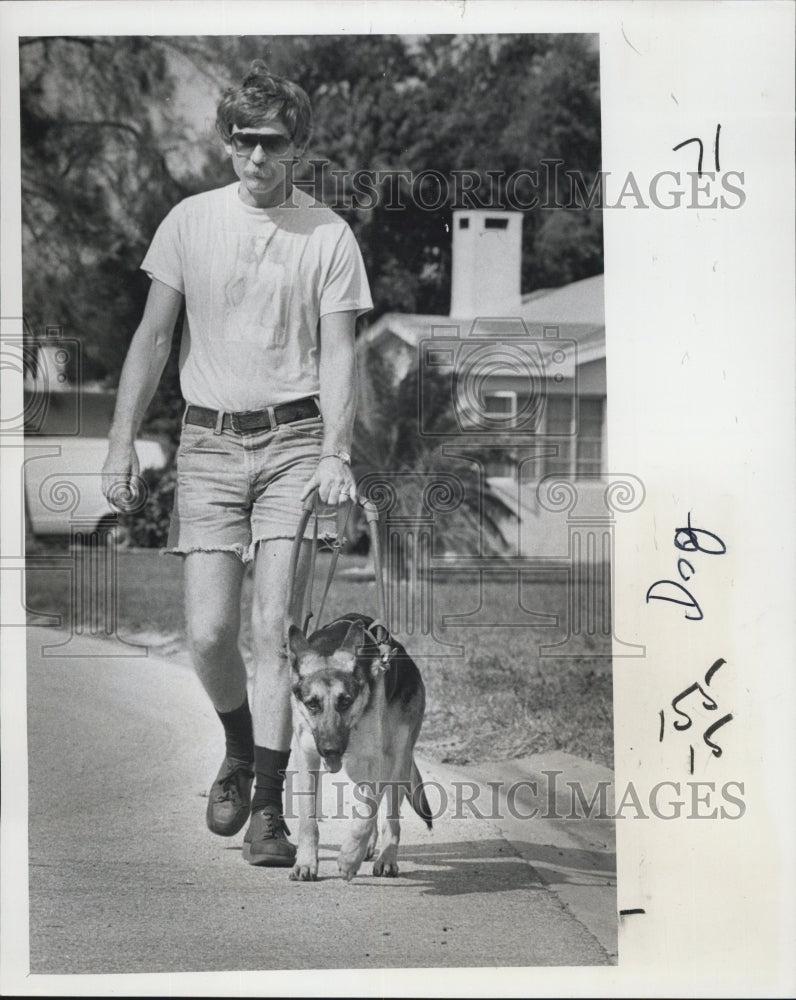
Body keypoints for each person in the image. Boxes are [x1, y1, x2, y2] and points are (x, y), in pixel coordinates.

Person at [101, 61, 372, 867]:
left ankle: (269, 812)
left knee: (270, 629)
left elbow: (340, 353)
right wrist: (120, 440)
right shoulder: (188, 222)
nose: (257, 156)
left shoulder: (327, 234)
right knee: (210, 631)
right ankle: (240, 745)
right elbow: (152, 339)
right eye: (244, 140)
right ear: (227, 143)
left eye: (274, 142)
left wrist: (335, 452)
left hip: (293, 443)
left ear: (298, 148)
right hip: (209, 444)